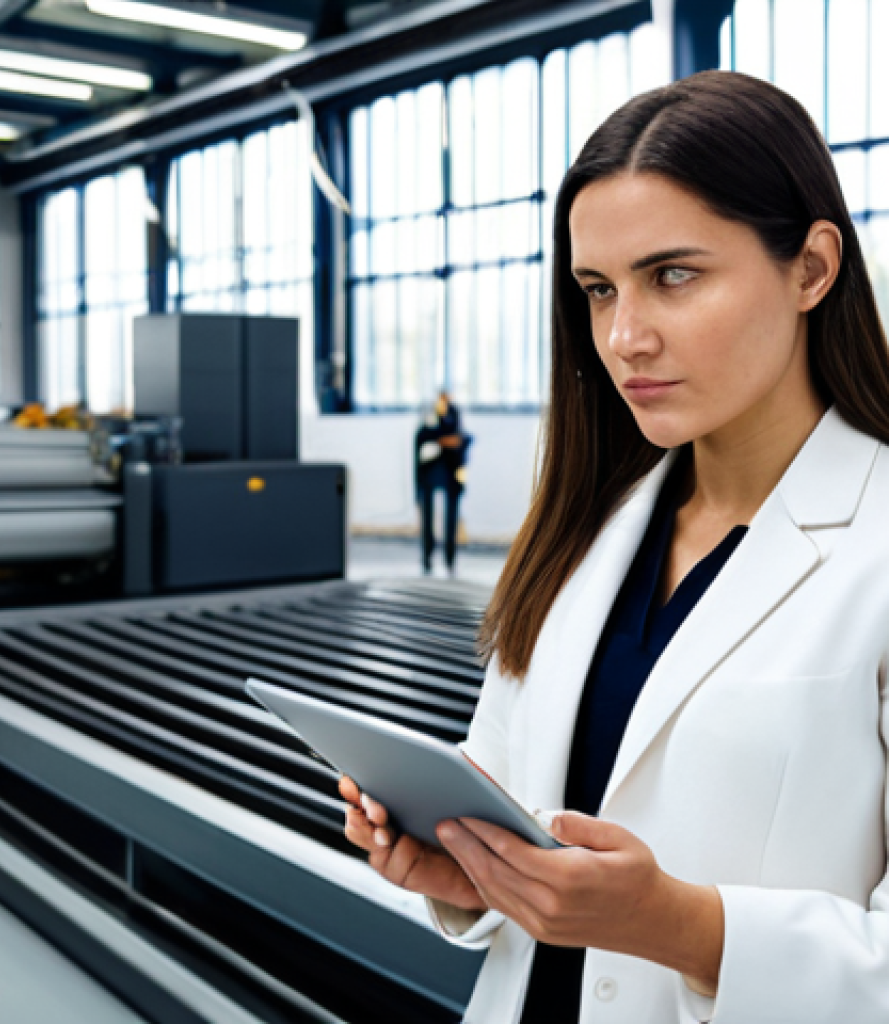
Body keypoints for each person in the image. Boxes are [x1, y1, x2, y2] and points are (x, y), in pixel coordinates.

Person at [341, 69, 889, 1024]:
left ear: (811, 268)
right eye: (598, 290)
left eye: (673, 275)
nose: (624, 335)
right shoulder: (586, 531)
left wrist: (680, 926)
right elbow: (514, 798)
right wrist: (466, 875)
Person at [415, 390, 470, 574]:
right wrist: (443, 440)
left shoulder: (455, 418)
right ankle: (427, 557)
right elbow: (423, 438)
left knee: (451, 516)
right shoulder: (430, 419)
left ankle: (449, 558)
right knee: (428, 516)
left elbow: (461, 443)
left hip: (450, 472)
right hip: (430, 472)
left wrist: (461, 481)